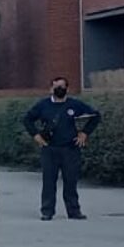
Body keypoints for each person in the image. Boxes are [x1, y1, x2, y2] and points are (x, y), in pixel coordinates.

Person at [23, 77, 101, 221]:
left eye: (62, 86)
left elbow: (95, 116)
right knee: (49, 182)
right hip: (49, 148)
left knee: (71, 181)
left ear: (67, 89)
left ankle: (74, 211)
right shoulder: (43, 105)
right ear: (50, 89)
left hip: (70, 148)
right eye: (56, 87)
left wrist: (84, 133)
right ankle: (47, 211)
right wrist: (36, 136)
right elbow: (27, 119)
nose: (59, 89)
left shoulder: (75, 105)